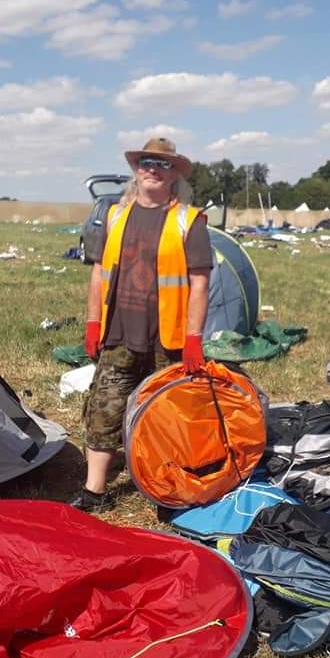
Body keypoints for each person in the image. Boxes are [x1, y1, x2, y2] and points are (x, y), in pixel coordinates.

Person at [72, 137, 212, 513]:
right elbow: (99, 273)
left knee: (166, 417)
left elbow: (199, 284)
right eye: (146, 162)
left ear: (175, 174)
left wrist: (193, 338)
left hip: (167, 339)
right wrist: (92, 323)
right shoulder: (115, 215)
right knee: (103, 410)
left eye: (163, 164)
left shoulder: (189, 220)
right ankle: (94, 492)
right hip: (118, 333)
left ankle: (168, 489)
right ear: (136, 169)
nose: (153, 169)